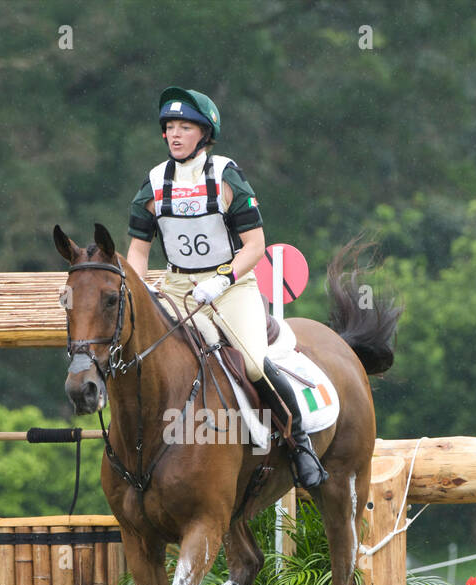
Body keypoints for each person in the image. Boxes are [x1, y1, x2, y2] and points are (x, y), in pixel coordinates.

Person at [124, 86, 328, 489]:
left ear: (204, 134)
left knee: (251, 363)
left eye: (185, 127)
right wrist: (141, 291)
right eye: (170, 127)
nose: (176, 134)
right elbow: (137, 250)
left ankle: (300, 441)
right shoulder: (152, 184)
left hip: (232, 286)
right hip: (178, 287)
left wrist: (221, 279)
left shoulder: (226, 176)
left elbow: (255, 246)